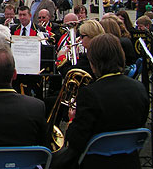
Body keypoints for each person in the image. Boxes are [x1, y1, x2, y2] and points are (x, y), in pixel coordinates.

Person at [52, 34, 148, 169]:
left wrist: (72, 120)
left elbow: (75, 141)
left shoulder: (90, 93)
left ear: (94, 62)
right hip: (129, 160)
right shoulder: (139, 88)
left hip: (95, 162)